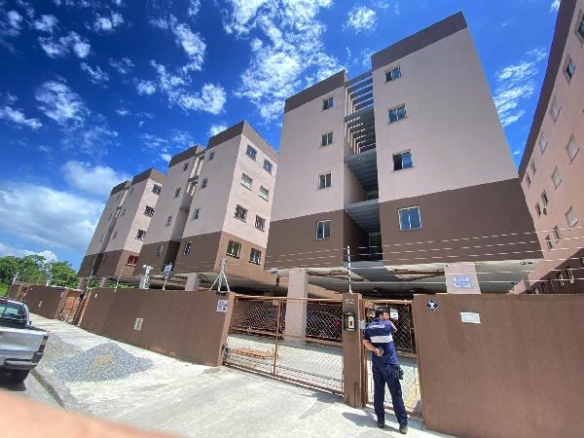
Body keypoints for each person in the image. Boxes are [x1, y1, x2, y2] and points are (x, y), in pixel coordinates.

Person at [363, 308, 408, 434]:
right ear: (381, 315)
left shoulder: (369, 327)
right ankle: (403, 423)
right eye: (386, 315)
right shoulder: (387, 324)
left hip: (377, 363)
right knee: (396, 393)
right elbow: (395, 329)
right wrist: (389, 321)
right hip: (390, 364)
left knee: (378, 391)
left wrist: (375, 350)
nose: (388, 317)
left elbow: (365, 342)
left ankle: (380, 420)